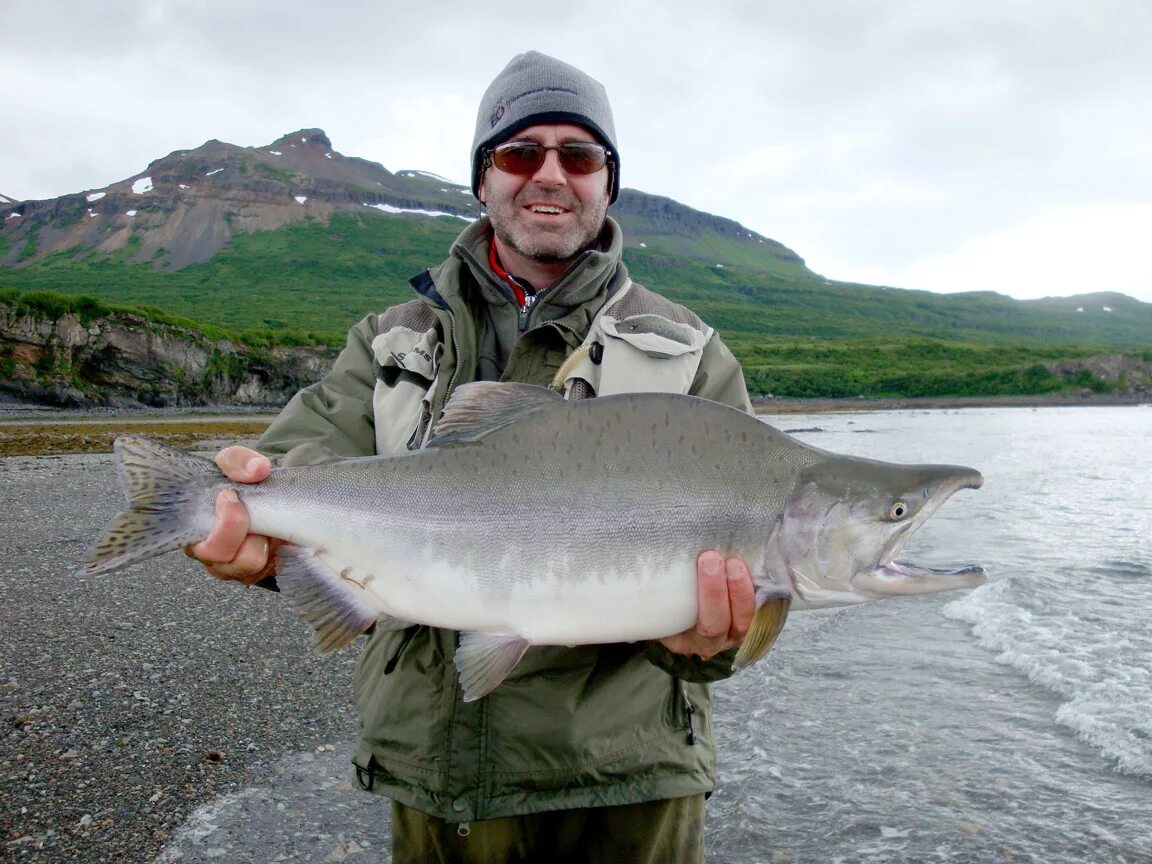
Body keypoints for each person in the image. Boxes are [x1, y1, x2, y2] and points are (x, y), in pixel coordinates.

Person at [188, 50, 757, 864]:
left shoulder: (692, 356)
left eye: (580, 155)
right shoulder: (389, 341)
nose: (550, 175)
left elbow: (751, 569)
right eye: (521, 153)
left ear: (608, 181)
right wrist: (252, 533)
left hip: (633, 777)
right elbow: (295, 466)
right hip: (434, 762)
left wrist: (722, 640)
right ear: (483, 180)